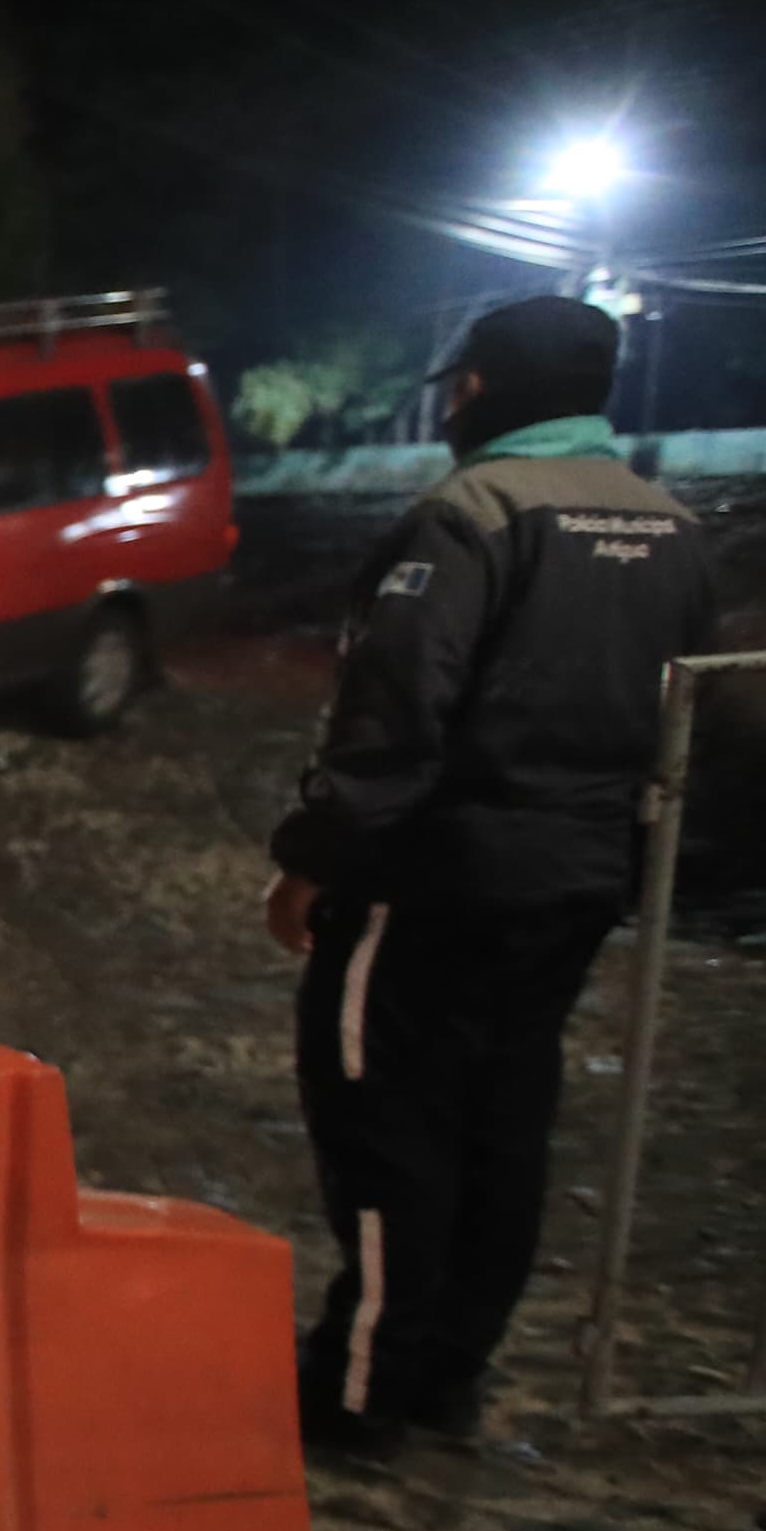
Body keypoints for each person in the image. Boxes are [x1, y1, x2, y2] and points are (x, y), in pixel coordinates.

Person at [263, 296, 716, 1459]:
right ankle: (444, 1378)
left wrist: (317, 858)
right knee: (501, 1127)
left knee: (384, 1128)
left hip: (433, 883)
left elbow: (396, 714)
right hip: (573, 881)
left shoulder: (469, 516)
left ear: (474, 389)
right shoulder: (667, 525)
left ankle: (357, 1393)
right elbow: (685, 712)